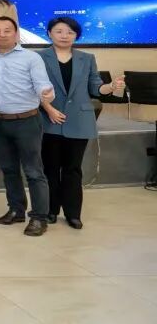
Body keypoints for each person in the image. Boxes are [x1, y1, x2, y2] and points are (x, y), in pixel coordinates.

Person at [38, 17, 124, 230]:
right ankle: (50, 211)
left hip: (79, 120)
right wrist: (48, 109)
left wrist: (111, 87)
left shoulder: (87, 58)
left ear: (76, 35)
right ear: (49, 33)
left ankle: (73, 213)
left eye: (70, 32)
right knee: (50, 168)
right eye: (59, 31)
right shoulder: (38, 57)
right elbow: (33, 87)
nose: (64, 35)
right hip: (49, 119)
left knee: (73, 169)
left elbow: (95, 87)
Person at [0, 16, 55, 237]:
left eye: (7, 30)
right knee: (8, 169)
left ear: (16, 33)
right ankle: (16, 209)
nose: (2, 34)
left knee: (34, 172)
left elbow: (42, 83)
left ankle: (39, 217)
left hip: (26, 121)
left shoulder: (31, 58)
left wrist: (47, 93)